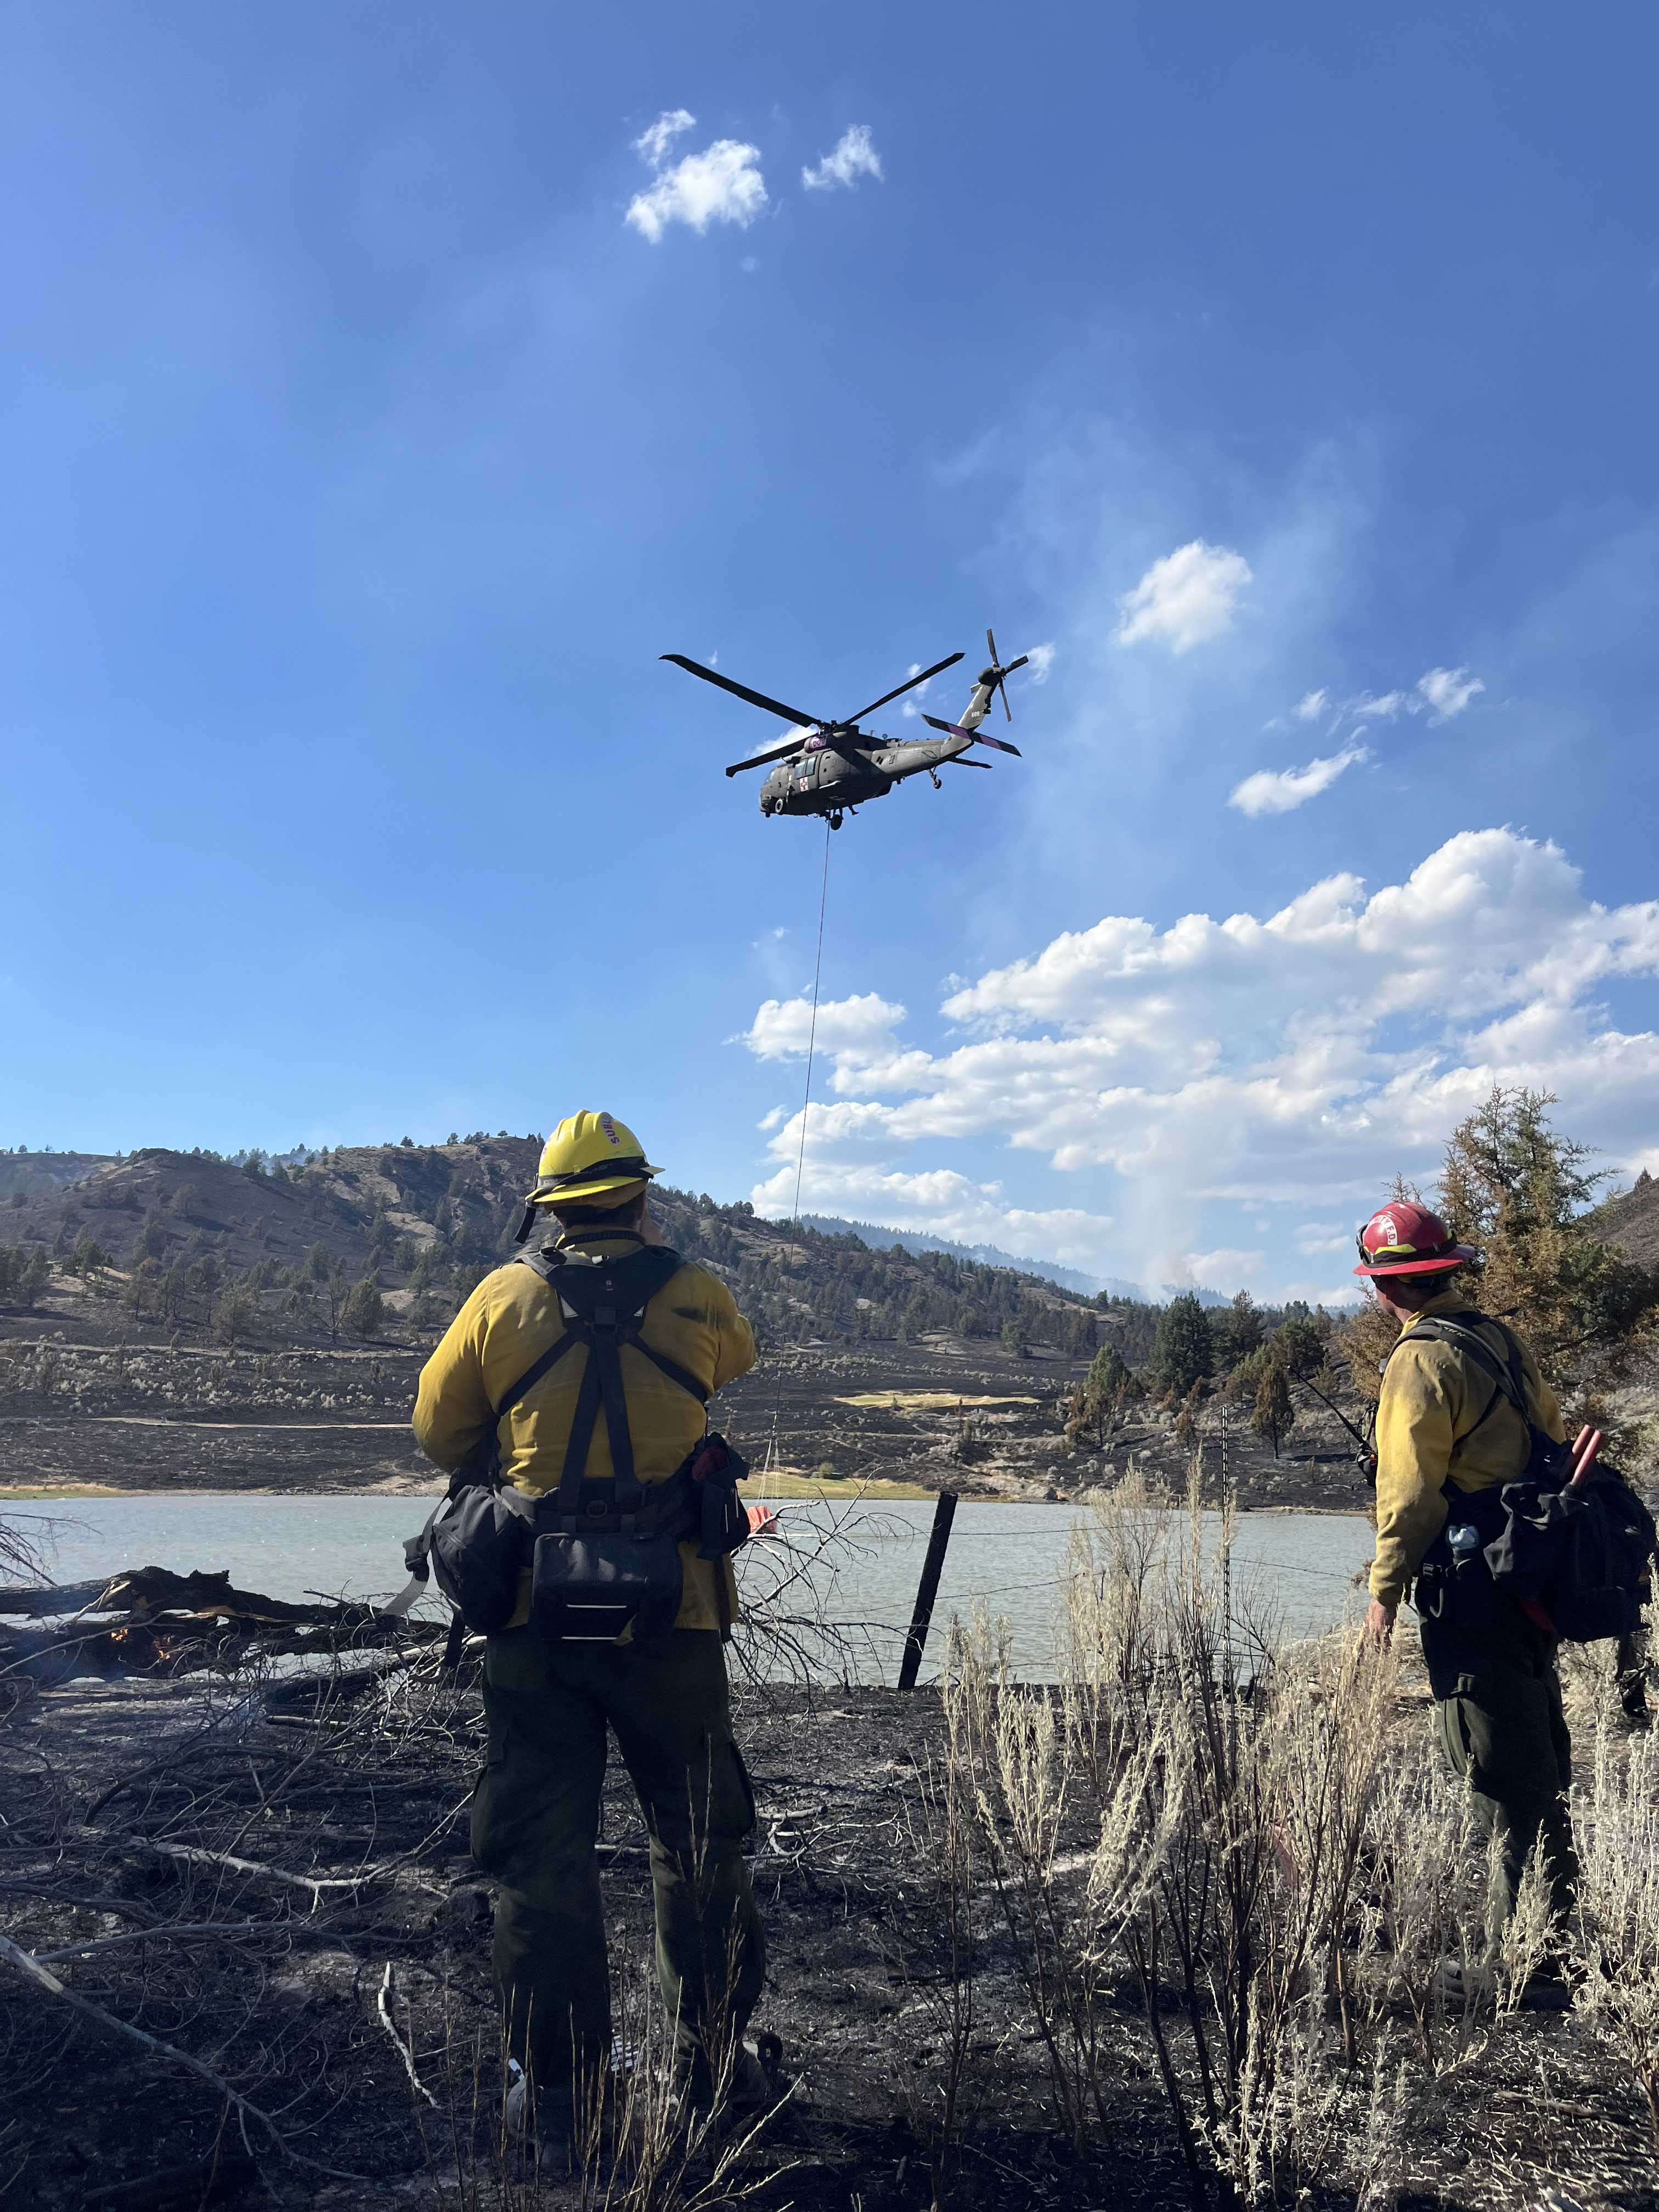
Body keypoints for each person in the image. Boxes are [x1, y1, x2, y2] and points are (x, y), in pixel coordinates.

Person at [413, 1112, 766, 2154]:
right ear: (641, 1197)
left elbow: (438, 1430)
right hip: (679, 1618)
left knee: (538, 1851)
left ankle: (563, 2095)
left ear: (548, 1205)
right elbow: (730, 1363)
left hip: (531, 1621)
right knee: (699, 1838)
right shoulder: (700, 1293)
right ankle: (711, 2071)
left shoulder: (501, 1295)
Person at [1355, 1200, 1579, 1934]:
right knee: (1531, 1742)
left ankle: (1527, 1959)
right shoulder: (1500, 1340)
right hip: (1528, 1574)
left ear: (1387, 1289)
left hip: (1470, 1589)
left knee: (1496, 1765)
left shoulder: (1419, 1360)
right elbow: (1553, 1441)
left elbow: (1411, 1495)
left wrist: (1384, 1596)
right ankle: (1542, 1934)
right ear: (1446, 1269)